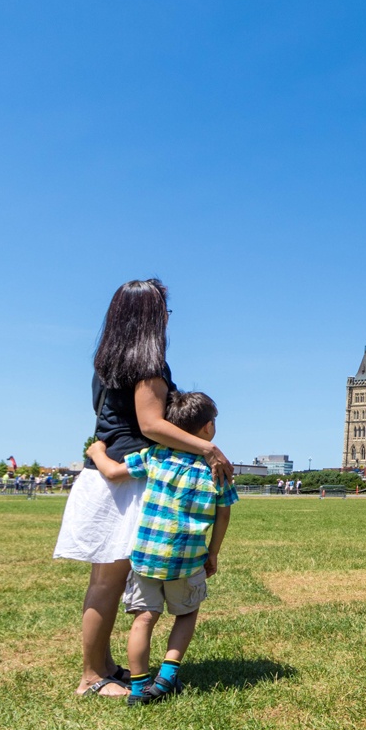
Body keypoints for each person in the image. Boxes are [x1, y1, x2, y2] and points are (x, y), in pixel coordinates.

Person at [53, 279, 232, 698]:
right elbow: (151, 424)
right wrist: (209, 447)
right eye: (165, 312)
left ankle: (104, 666)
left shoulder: (108, 361)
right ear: (152, 318)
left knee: (106, 581)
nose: (168, 319)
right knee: (108, 583)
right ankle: (91, 677)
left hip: (107, 472)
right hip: (127, 480)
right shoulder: (149, 364)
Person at [87, 391, 237, 705]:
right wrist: (213, 552)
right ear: (208, 428)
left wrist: (97, 450)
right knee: (187, 613)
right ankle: (167, 675)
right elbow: (224, 514)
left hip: (146, 557)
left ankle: (140, 688)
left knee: (144, 618)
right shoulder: (217, 470)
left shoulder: (156, 456)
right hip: (188, 558)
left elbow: (113, 472)